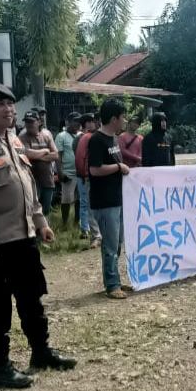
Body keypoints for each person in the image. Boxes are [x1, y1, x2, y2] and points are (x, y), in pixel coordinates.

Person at [0, 83, 76, 389]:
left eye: (11, 104)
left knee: (32, 295)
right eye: (1, 105)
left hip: (24, 234)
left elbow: (27, 185)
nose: (9, 110)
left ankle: (41, 351)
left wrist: (41, 220)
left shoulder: (13, 139)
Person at [88, 99, 132, 299]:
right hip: (104, 202)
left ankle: (115, 281)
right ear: (114, 119)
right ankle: (112, 285)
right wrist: (118, 167)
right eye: (123, 117)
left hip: (117, 199)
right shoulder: (97, 140)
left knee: (117, 243)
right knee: (110, 246)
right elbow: (94, 170)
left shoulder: (113, 139)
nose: (125, 121)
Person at [19, 111, 59, 218]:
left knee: (46, 209)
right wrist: (45, 151)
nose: (28, 124)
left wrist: (37, 156)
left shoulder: (47, 134)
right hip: (31, 179)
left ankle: (46, 227)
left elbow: (56, 155)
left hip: (47, 178)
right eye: (27, 122)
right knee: (33, 209)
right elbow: (27, 154)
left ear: (39, 122)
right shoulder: (22, 136)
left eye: (31, 122)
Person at [74, 113, 100, 245]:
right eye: (90, 121)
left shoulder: (94, 136)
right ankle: (87, 230)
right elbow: (79, 157)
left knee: (90, 204)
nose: (93, 123)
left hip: (90, 174)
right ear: (86, 123)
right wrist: (83, 174)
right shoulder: (83, 138)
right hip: (85, 175)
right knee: (86, 203)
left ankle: (94, 232)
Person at [54, 113, 82, 228]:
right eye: (75, 121)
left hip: (80, 172)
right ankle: (65, 223)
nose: (77, 123)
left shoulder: (81, 135)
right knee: (66, 199)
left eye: (79, 121)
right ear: (68, 122)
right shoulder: (61, 136)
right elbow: (58, 156)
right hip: (67, 173)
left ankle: (77, 221)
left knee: (79, 199)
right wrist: (60, 172)